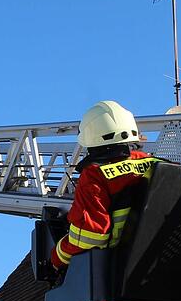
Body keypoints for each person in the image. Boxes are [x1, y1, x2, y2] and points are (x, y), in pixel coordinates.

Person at [51, 101, 160, 271]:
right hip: (165, 260)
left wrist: (57, 256)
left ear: (90, 139)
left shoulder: (95, 174)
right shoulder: (157, 164)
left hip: (121, 269)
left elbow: (91, 235)